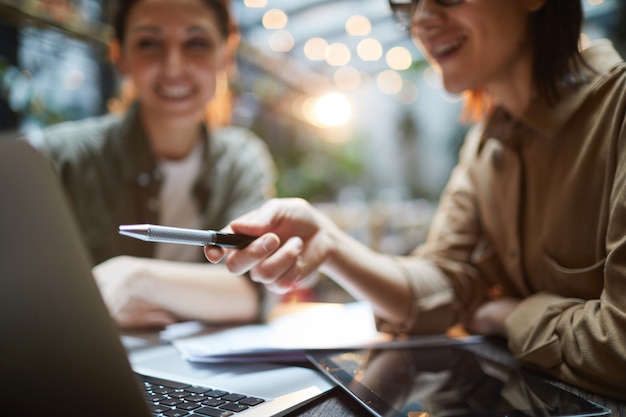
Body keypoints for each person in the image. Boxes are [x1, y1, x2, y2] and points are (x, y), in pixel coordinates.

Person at [205, 0, 626, 401]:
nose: (421, 19)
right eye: (406, 4)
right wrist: (328, 242)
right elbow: (442, 284)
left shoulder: (617, 112)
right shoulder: (485, 145)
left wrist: (509, 316)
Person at [32, 0, 276, 329]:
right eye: (149, 43)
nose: (173, 66)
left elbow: (250, 290)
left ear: (226, 56)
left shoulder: (240, 160)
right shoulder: (57, 157)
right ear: (120, 56)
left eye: (197, 43)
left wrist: (134, 277)